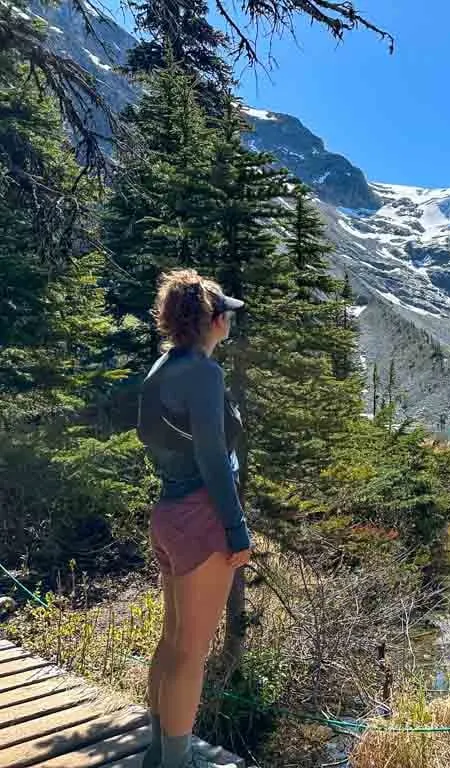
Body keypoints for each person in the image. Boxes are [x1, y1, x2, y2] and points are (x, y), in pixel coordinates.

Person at [136, 269, 252, 768]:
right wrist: (235, 526)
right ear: (212, 320)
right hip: (201, 516)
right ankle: (179, 762)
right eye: (225, 312)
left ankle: (160, 753)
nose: (230, 320)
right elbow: (210, 455)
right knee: (192, 651)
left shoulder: (162, 367)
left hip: (169, 510)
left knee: (173, 642)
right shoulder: (204, 373)